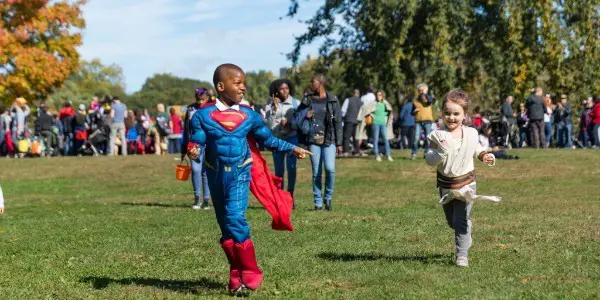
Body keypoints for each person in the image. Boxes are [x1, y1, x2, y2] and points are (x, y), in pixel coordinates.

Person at [186, 63, 310, 293]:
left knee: (235, 218)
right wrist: (193, 149)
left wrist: (291, 148)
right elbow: (198, 141)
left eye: (244, 83)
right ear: (221, 86)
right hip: (215, 175)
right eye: (237, 83)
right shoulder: (201, 116)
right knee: (225, 228)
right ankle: (236, 273)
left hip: (241, 173)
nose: (243, 87)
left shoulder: (250, 116)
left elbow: (268, 140)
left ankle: (251, 270)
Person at [425, 89, 497, 268]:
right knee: (452, 222)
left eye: (456, 114)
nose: (451, 117)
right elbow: (429, 160)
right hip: (446, 186)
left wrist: (485, 156)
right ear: (442, 113)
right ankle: (465, 231)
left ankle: (462, 255)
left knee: (460, 221)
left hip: (466, 185)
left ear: (464, 115)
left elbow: (477, 149)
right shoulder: (437, 135)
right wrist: (439, 153)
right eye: (447, 113)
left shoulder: (471, 133)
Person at [296, 73, 343, 211]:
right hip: (313, 140)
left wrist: (339, 143)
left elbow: (338, 122)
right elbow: (297, 117)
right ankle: (318, 202)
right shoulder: (307, 100)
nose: (311, 85)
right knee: (316, 171)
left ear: (321, 83)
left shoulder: (333, 99)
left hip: (329, 139)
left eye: (313, 82)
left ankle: (328, 197)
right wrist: (306, 115)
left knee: (330, 169)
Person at [265, 79, 299, 198]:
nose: (285, 91)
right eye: (282, 89)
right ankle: (281, 197)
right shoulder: (270, 105)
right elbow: (269, 125)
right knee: (279, 170)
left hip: (291, 138)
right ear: (276, 91)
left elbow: (300, 122)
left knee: (291, 168)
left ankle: (290, 195)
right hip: (277, 140)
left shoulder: (295, 103)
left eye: (287, 88)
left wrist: (290, 124)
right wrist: (274, 109)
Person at [182, 88, 212, 210]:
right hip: (194, 144)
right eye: (198, 99)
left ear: (207, 98)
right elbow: (186, 129)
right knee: (195, 170)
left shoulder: (211, 109)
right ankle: (197, 198)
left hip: (209, 144)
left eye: (203, 99)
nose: (200, 102)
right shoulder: (190, 109)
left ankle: (206, 200)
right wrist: (183, 149)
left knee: (206, 172)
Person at [365, 90, 393, 162]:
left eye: (380, 95)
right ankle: (376, 155)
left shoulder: (385, 103)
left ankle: (388, 154)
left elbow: (389, 111)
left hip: (383, 123)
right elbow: (367, 110)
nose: (378, 96)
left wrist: (385, 115)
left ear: (382, 96)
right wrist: (372, 115)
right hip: (375, 123)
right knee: (375, 139)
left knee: (385, 139)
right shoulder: (373, 103)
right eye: (377, 95)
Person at [411, 83, 436, 160]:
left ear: (426, 90)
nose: (421, 92)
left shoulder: (429, 99)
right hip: (418, 121)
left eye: (423, 90)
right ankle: (414, 154)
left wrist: (425, 94)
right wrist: (414, 111)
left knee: (427, 138)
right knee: (416, 138)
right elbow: (411, 112)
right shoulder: (415, 101)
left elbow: (430, 101)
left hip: (427, 121)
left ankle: (426, 153)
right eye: (420, 90)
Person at [340, 89, 362, 156]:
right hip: (357, 121)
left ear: (353, 93)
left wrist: (343, 116)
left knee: (347, 136)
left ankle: (346, 152)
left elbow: (343, 110)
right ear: (358, 94)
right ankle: (357, 152)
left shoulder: (348, 100)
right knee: (356, 137)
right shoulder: (361, 102)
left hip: (349, 120)